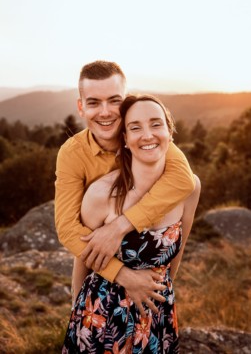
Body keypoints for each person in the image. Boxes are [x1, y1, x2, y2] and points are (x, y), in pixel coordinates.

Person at [62, 94, 201, 353]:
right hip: (101, 317)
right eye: (135, 127)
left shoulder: (189, 188)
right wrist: (78, 311)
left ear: (170, 133)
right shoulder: (101, 194)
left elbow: (177, 253)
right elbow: (82, 256)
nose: (147, 135)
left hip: (157, 312)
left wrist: (163, 296)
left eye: (156, 124)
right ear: (125, 140)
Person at [55, 60, 195, 314]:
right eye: (94, 102)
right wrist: (121, 274)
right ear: (81, 107)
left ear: (126, 100)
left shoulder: (144, 138)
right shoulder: (72, 153)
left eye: (114, 100)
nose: (105, 112)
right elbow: (67, 228)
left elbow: (185, 180)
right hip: (98, 274)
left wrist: (121, 226)